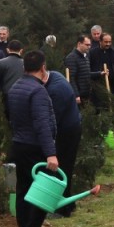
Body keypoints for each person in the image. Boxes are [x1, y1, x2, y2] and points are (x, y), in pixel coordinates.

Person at [7, 50, 60, 227]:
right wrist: (51, 153)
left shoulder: (16, 87)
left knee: (23, 191)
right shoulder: (37, 92)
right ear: (43, 68)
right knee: (42, 194)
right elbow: (42, 125)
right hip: (35, 147)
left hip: (19, 144)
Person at [45, 67, 84, 218]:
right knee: (65, 167)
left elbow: (53, 120)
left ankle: (62, 209)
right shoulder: (54, 75)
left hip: (67, 132)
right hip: (71, 127)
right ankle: (68, 203)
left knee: (61, 168)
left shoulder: (56, 91)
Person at [89, 32, 114, 107]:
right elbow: (89, 69)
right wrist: (98, 73)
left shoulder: (113, 52)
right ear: (100, 41)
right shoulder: (92, 53)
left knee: (110, 105)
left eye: (109, 42)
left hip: (111, 84)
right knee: (98, 106)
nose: (108, 44)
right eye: (106, 42)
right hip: (97, 84)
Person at [63, 34, 92, 105]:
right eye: (87, 45)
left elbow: (86, 73)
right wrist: (76, 95)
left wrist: (100, 73)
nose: (89, 47)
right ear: (79, 44)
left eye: (90, 45)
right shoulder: (71, 58)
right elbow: (71, 78)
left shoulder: (85, 57)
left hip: (87, 94)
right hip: (79, 96)